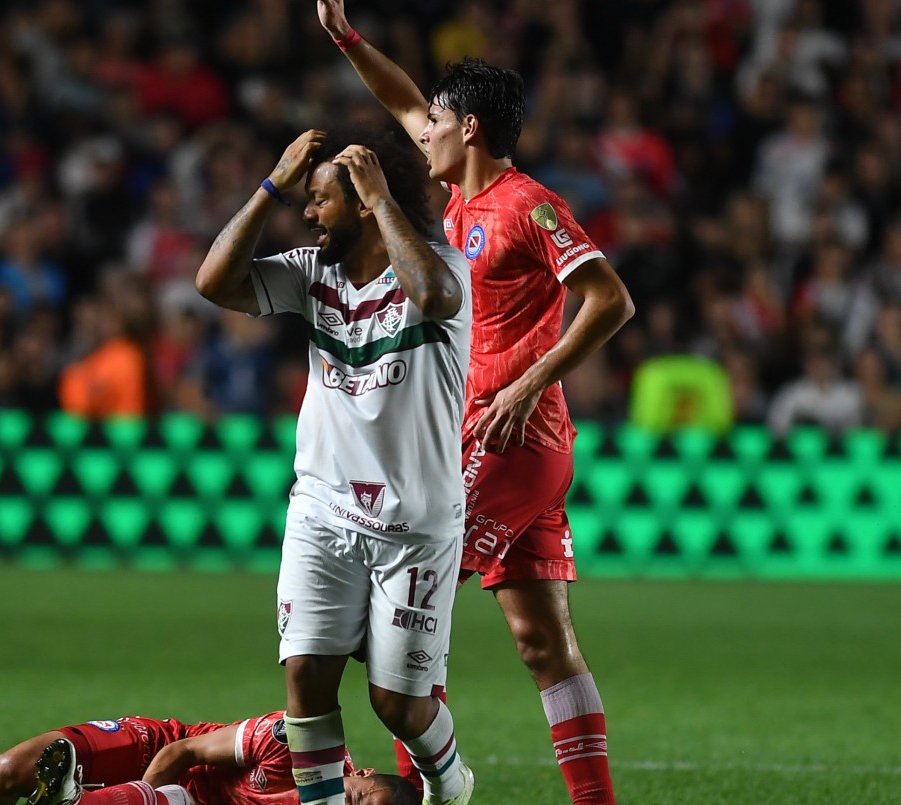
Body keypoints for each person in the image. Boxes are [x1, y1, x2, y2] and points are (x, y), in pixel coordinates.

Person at [315, 3, 636, 804]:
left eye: (439, 120)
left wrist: (527, 383)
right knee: (542, 642)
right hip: (506, 442)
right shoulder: (456, 198)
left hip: (508, 438)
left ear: (472, 128)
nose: (422, 129)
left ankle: (436, 788)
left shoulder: (527, 206)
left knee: (400, 617)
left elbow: (610, 299)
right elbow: (398, 99)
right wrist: (347, 37)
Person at [195, 125, 476, 805]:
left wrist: (384, 202)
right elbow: (213, 282)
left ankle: (453, 783)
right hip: (322, 509)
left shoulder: (438, 266)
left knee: (397, 706)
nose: (309, 212)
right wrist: (271, 185)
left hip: (414, 526)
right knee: (306, 680)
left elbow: (437, 298)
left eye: (320, 199)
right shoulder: (308, 271)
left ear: (364, 200)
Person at [0, 710, 419, 805]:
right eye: (356, 800)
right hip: (158, 751)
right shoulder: (293, 742)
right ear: (358, 772)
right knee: (6, 773)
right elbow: (183, 750)